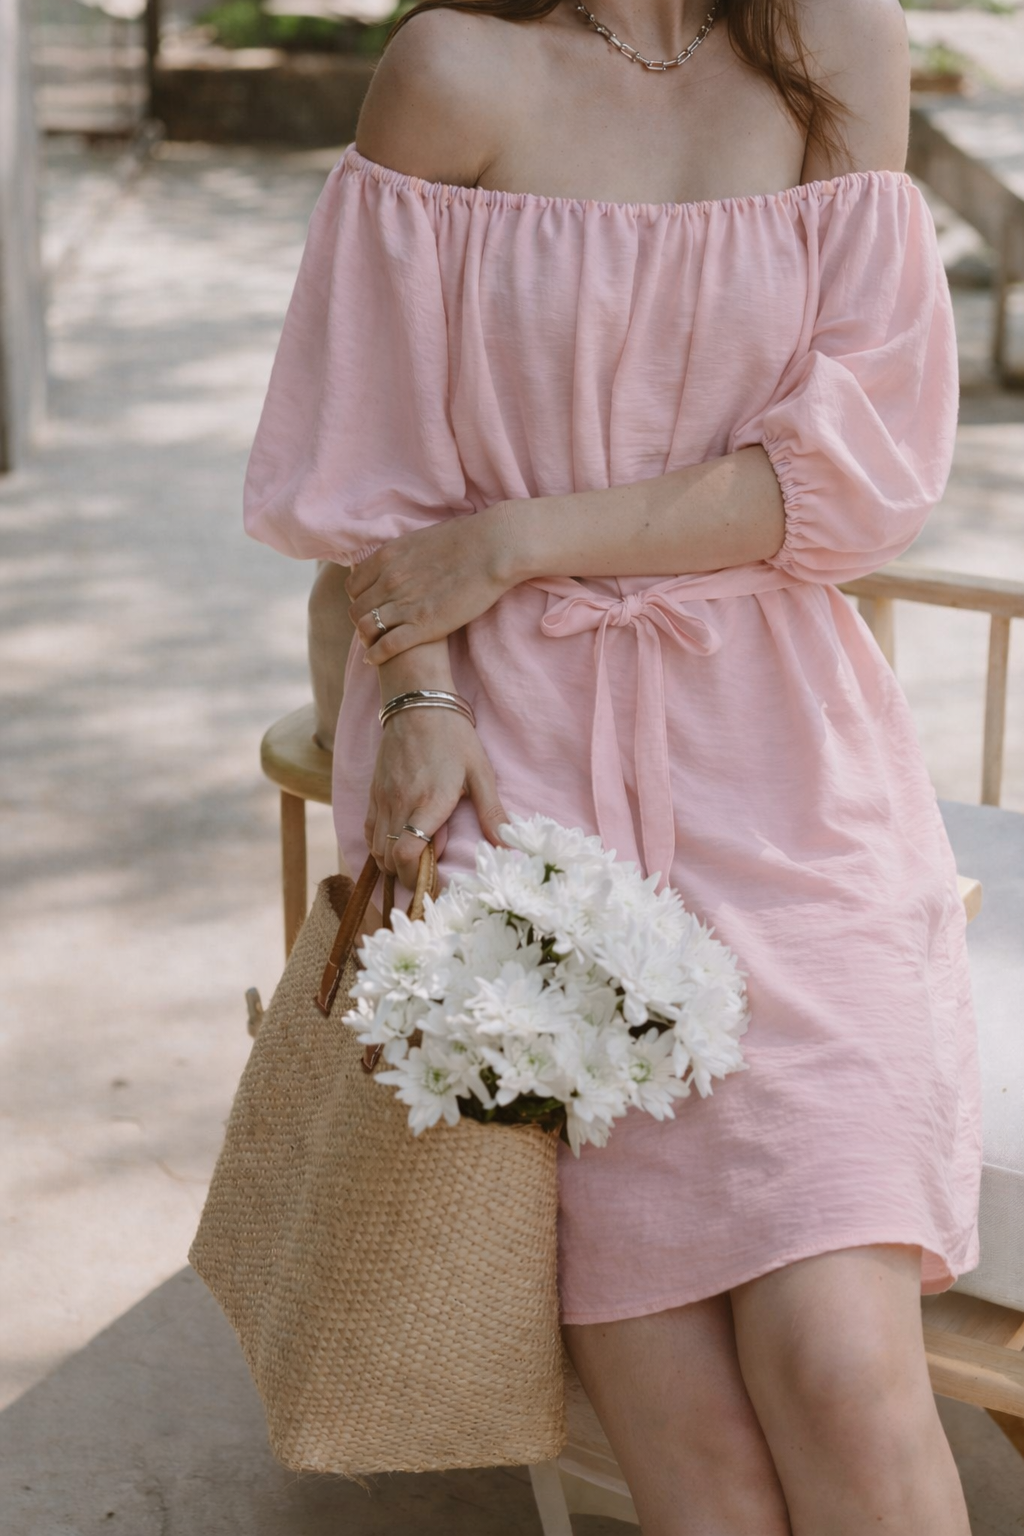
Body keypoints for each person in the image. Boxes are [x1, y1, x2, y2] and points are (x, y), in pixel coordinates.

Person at [242, 0, 983, 1528]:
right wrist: (421, 698)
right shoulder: (454, 71)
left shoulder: (839, 44)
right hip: (512, 757)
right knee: (696, 1452)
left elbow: (856, 474)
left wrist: (518, 537)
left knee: (846, 1380)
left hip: (780, 764)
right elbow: (368, 472)